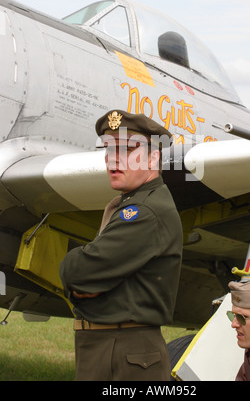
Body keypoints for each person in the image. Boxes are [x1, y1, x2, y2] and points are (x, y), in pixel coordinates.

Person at [59, 109, 183, 381]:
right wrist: (86, 286)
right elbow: (86, 277)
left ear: (153, 156)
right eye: (108, 149)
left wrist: (79, 278)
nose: (113, 159)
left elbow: (76, 273)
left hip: (125, 353)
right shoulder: (132, 204)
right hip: (114, 348)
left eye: (127, 150)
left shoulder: (144, 212)